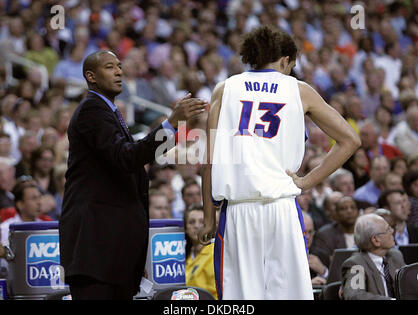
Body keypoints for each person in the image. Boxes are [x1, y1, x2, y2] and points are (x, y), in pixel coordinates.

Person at [199, 26, 360, 300]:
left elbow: (209, 162)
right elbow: (350, 140)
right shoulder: (299, 90)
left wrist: (207, 218)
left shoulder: (224, 89)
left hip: (239, 210)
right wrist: (307, 182)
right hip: (282, 208)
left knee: (241, 299)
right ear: (285, 60)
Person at [59, 50, 208, 300]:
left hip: (113, 255)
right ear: (91, 76)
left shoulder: (109, 112)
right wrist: (171, 124)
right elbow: (127, 158)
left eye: (119, 66)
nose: (118, 71)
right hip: (96, 252)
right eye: (110, 67)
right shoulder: (91, 111)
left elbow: (135, 159)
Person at [341, 213, 405, 300]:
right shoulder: (356, 264)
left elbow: (411, 283)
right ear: (375, 240)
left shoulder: (395, 256)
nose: (392, 231)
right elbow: (355, 296)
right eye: (388, 229)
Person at [310, 196, 360, 269]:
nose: (349, 211)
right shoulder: (325, 235)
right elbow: (325, 261)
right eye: (343, 209)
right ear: (336, 214)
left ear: (358, 212)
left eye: (353, 208)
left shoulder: (364, 232)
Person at [185, 204, 217, 299]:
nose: (196, 226)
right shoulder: (186, 255)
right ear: (186, 228)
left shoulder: (216, 252)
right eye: (191, 222)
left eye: (202, 222)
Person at [303, 212, 327, 285]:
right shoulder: (284, 256)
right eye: (303, 232)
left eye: (310, 232)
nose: (307, 237)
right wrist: (308, 285)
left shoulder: (322, 255)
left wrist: (324, 272)